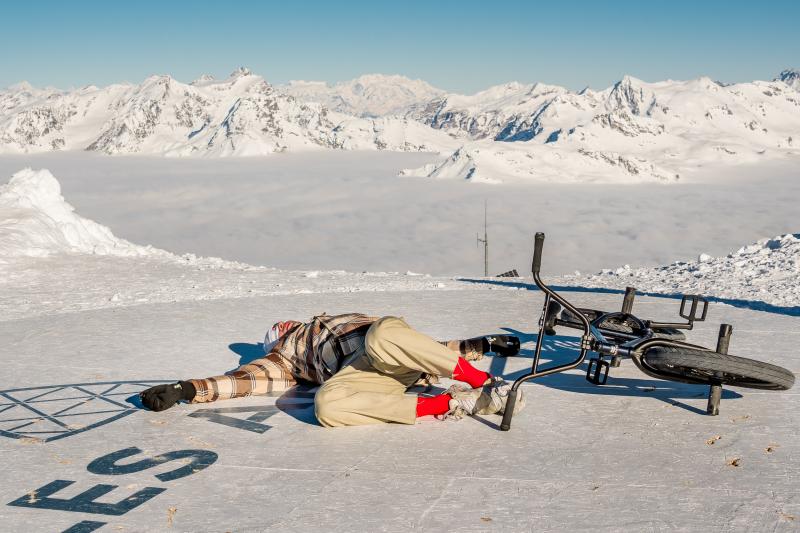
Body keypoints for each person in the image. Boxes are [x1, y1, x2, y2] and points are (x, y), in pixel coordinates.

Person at [139, 312, 525, 426]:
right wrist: (187, 389)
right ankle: (450, 405)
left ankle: (483, 383)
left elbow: (420, 347)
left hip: (387, 346)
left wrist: (482, 346)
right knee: (326, 406)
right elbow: (245, 381)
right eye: (278, 331)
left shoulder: (336, 319)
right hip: (362, 374)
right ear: (275, 341)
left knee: (380, 336)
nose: (285, 326)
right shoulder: (284, 360)